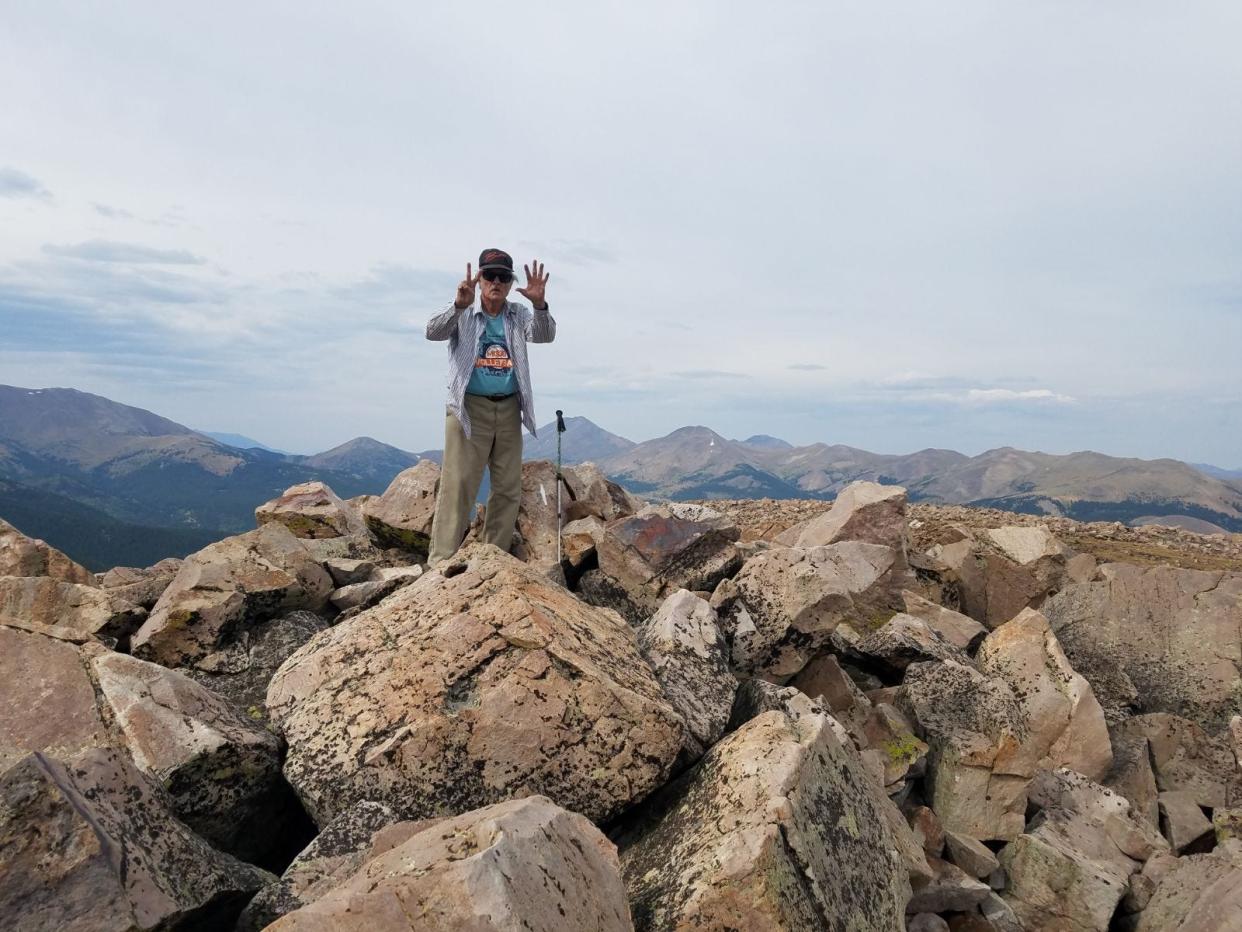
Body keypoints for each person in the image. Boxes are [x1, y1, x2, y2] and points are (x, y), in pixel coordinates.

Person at [425, 248, 555, 564]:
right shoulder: (465, 312)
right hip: (469, 408)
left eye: (503, 277)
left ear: (511, 284)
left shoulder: (518, 314)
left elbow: (545, 334)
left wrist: (539, 304)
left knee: (508, 488)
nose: (496, 282)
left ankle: (491, 558)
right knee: (459, 487)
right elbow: (432, 331)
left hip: (509, 409)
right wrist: (458, 305)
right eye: (489, 275)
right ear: (479, 279)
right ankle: (441, 563)